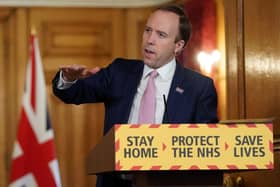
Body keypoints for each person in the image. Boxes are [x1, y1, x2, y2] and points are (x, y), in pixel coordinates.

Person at [52, 4, 218, 187]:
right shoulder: (119, 72)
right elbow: (74, 93)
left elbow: (206, 152)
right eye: (148, 31)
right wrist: (68, 79)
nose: (150, 40)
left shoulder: (199, 87)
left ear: (178, 46)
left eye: (161, 35)